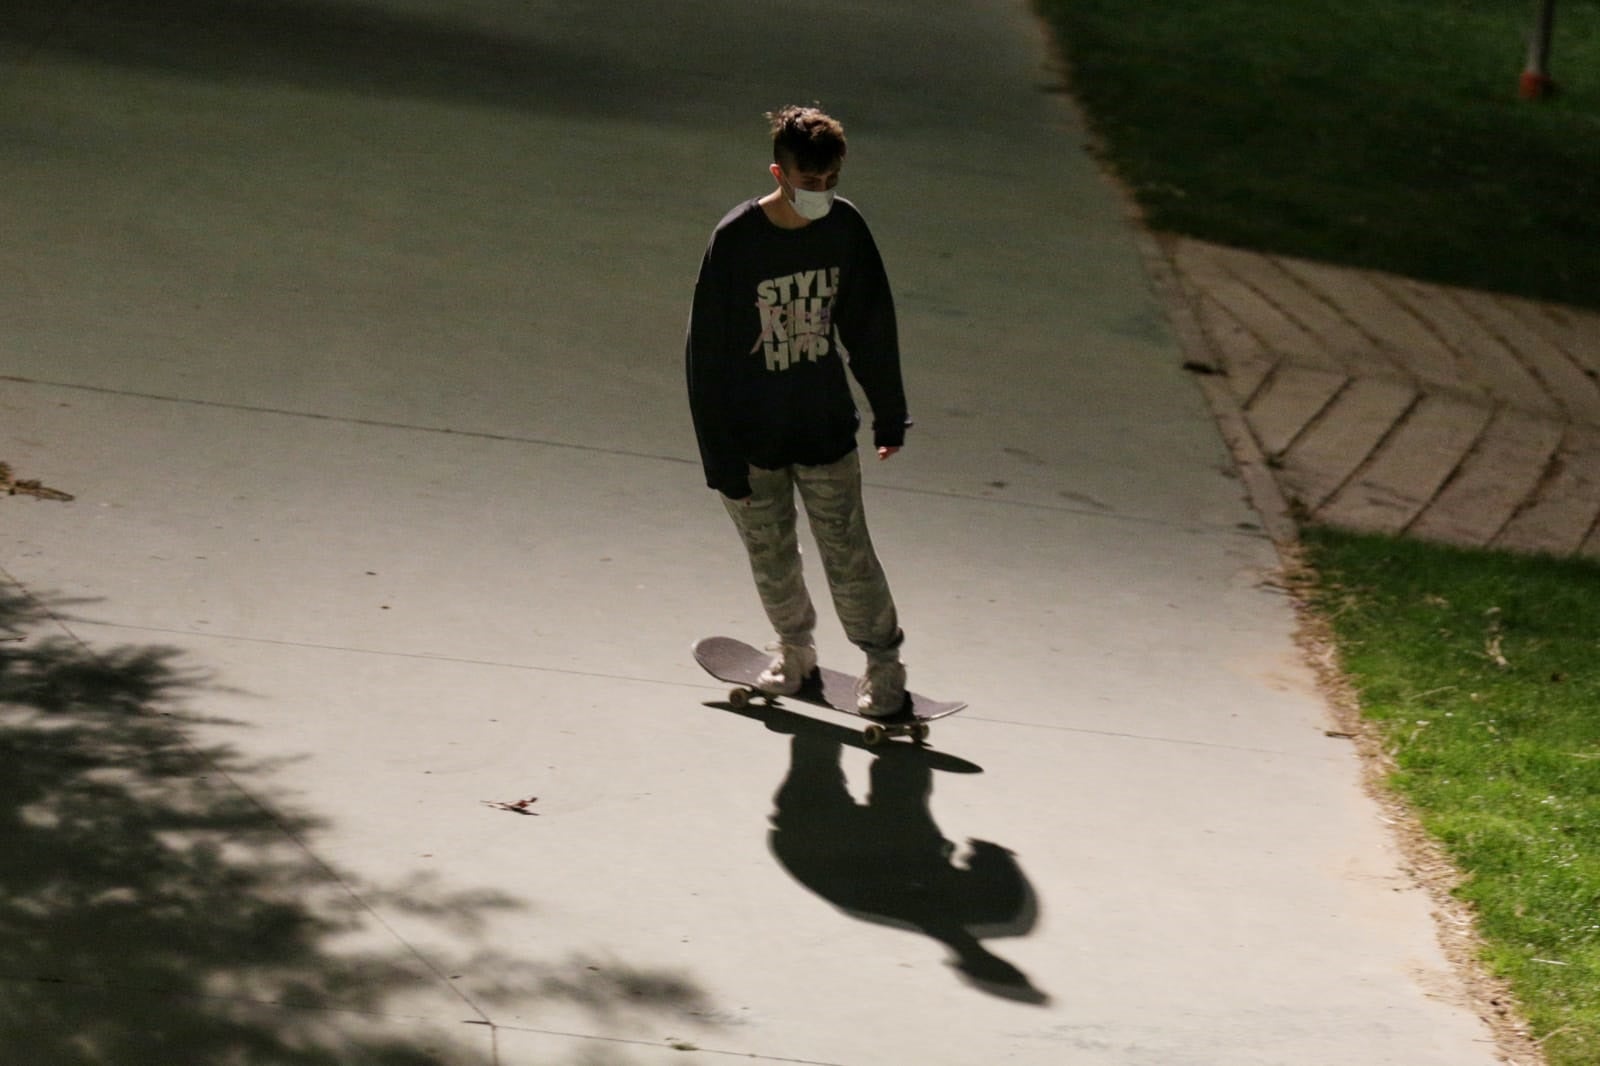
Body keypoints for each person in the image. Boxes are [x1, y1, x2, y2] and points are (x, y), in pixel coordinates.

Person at [686, 104, 911, 718]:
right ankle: (793, 648)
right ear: (778, 172)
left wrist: (889, 414)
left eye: (831, 181)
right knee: (770, 552)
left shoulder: (845, 229)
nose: (822, 194)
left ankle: (883, 663)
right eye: (809, 183)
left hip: (822, 423)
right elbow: (705, 355)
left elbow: (871, 326)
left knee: (847, 550)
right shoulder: (735, 241)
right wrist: (718, 455)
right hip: (751, 431)